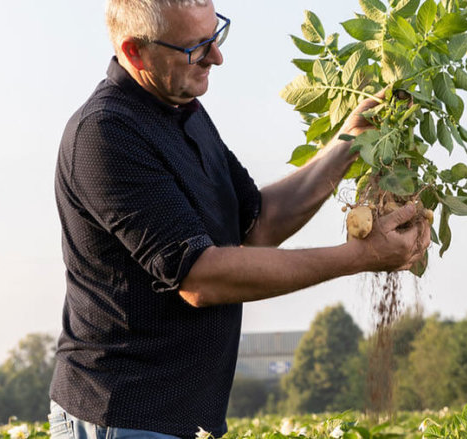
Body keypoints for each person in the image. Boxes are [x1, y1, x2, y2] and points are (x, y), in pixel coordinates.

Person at [48, 0, 429, 437]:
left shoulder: (181, 108)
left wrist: (351, 141)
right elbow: (201, 279)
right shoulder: (106, 134)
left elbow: (258, 224)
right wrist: (359, 257)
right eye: (197, 47)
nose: (217, 57)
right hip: (123, 416)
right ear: (135, 52)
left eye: (216, 35)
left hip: (177, 417)